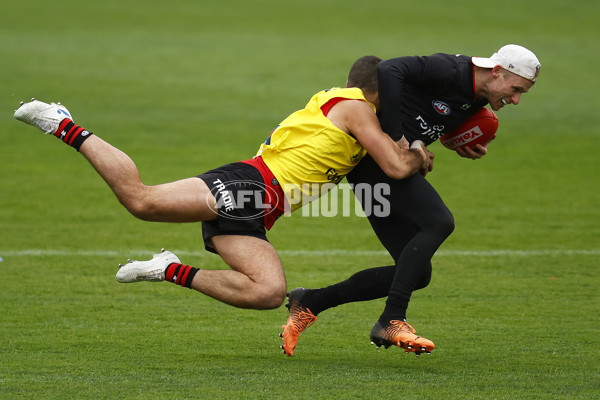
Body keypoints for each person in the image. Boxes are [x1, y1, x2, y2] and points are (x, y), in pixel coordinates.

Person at [13, 56, 433, 313]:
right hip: (251, 184)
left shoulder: (354, 113)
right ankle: (62, 123)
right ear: (379, 93)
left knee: (269, 293)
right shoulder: (354, 106)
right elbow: (396, 168)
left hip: (262, 211)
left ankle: (168, 269)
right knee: (142, 202)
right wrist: (417, 152)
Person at [280, 44, 541, 356]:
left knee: (417, 273)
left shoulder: (478, 97)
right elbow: (388, 69)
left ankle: (310, 301)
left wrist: (454, 141)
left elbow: (426, 114)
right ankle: (392, 320)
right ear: (496, 71)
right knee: (439, 221)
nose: (515, 99)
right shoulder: (452, 70)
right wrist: (397, 135)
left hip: (368, 169)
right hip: (374, 160)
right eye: (515, 89)